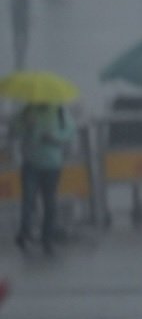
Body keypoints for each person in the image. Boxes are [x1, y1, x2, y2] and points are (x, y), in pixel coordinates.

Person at [11, 103, 76, 254]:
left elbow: (70, 131)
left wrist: (54, 137)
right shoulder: (27, 111)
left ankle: (47, 236)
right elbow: (14, 130)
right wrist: (26, 125)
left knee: (49, 201)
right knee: (28, 200)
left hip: (52, 164)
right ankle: (25, 233)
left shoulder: (60, 112)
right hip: (30, 164)